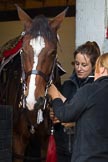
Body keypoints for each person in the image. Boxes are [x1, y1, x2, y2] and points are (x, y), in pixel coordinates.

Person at [48, 52, 108, 162]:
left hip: (88, 157)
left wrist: (54, 95)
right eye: (76, 63)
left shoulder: (90, 89)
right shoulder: (70, 86)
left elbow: (64, 115)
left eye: (97, 69)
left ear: (103, 69)